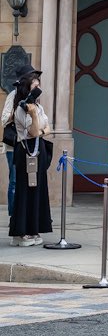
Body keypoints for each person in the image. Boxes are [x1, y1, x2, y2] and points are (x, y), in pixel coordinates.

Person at [4, 59, 52, 248]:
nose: (38, 88)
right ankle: (20, 233)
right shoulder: (20, 109)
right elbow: (32, 132)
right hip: (25, 151)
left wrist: (39, 128)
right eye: (35, 85)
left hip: (37, 149)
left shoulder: (38, 106)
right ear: (27, 86)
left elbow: (47, 128)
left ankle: (33, 229)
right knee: (23, 190)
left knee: (37, 190)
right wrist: (33, 118)